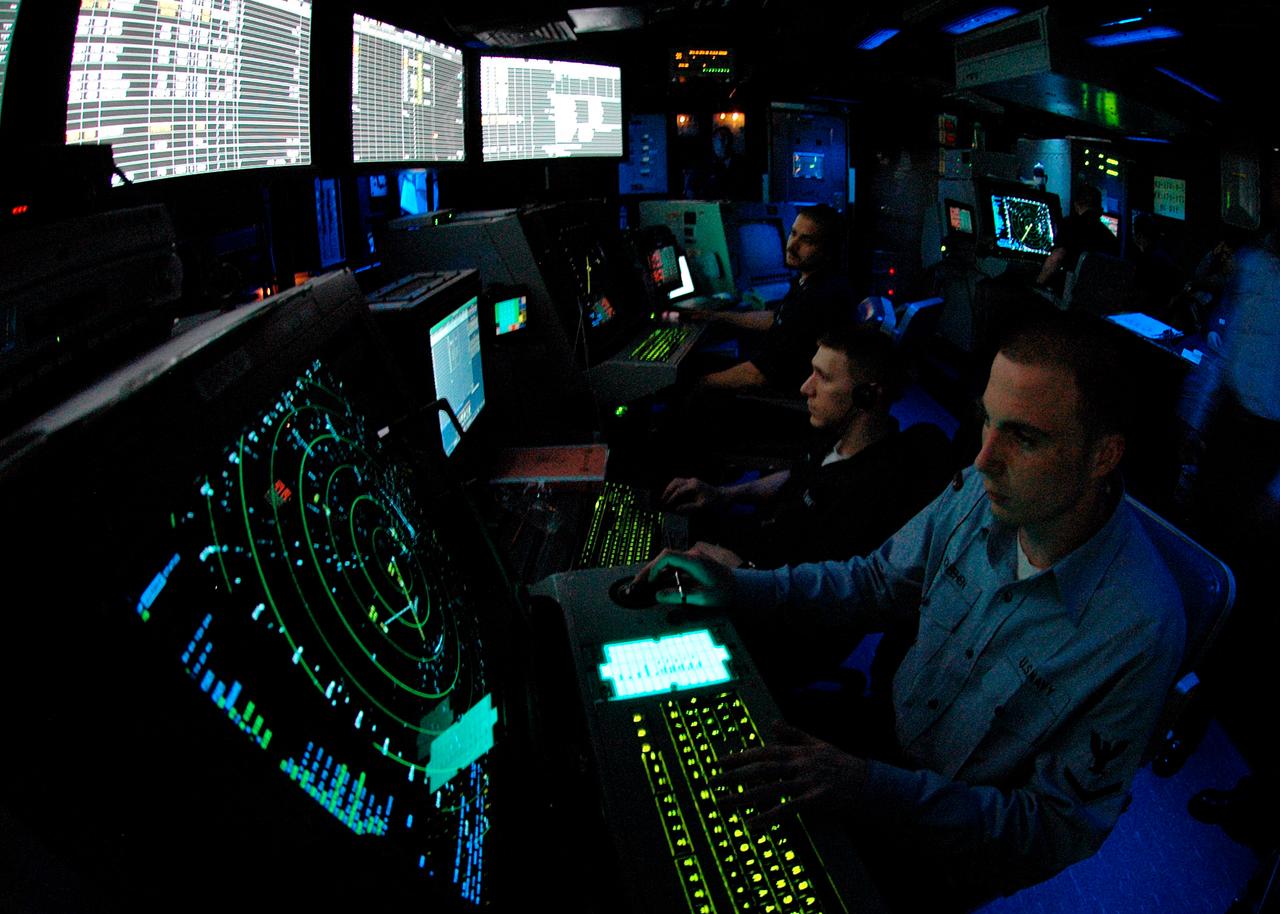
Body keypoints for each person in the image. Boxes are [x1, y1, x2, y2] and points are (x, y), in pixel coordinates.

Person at [637, 309, 1186, 909]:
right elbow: (875, 581)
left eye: (1025, 437)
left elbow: (1050, 829)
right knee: (689, 784)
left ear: (1104, 456)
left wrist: (868, 787)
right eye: (986, 421)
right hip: (878, 739)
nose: (984, 459)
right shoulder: (978, 496)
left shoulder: (1139, 628)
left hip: (943, 843)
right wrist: (741, 586)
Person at [660, 324, 954, 571]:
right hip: (753, 540)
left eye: (822, 377)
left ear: (868, 395)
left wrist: (740, 572)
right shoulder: (835, 434)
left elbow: (816, 589)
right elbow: (795, 477)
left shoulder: (870, 489)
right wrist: (724, 494)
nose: (805, 387)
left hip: (759, 582)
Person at [689, 204, 857, 395]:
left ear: (828, 251)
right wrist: (718, 316)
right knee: (701, 362)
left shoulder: (818, 298)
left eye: (806, 240)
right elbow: (777, 318)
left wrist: (701, 383)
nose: (792, 245)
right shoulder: (813, 281)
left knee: (690, 377)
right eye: (793, 233)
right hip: (777, 376)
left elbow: (758, 377)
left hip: (788, 393)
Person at [1035, 182, 1120, 291]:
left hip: (1069, 295)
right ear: (1100, 210)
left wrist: (1038, 283)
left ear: (1076, 205)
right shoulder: (1112, 240)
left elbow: (1057, 257)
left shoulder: (1070, 225)